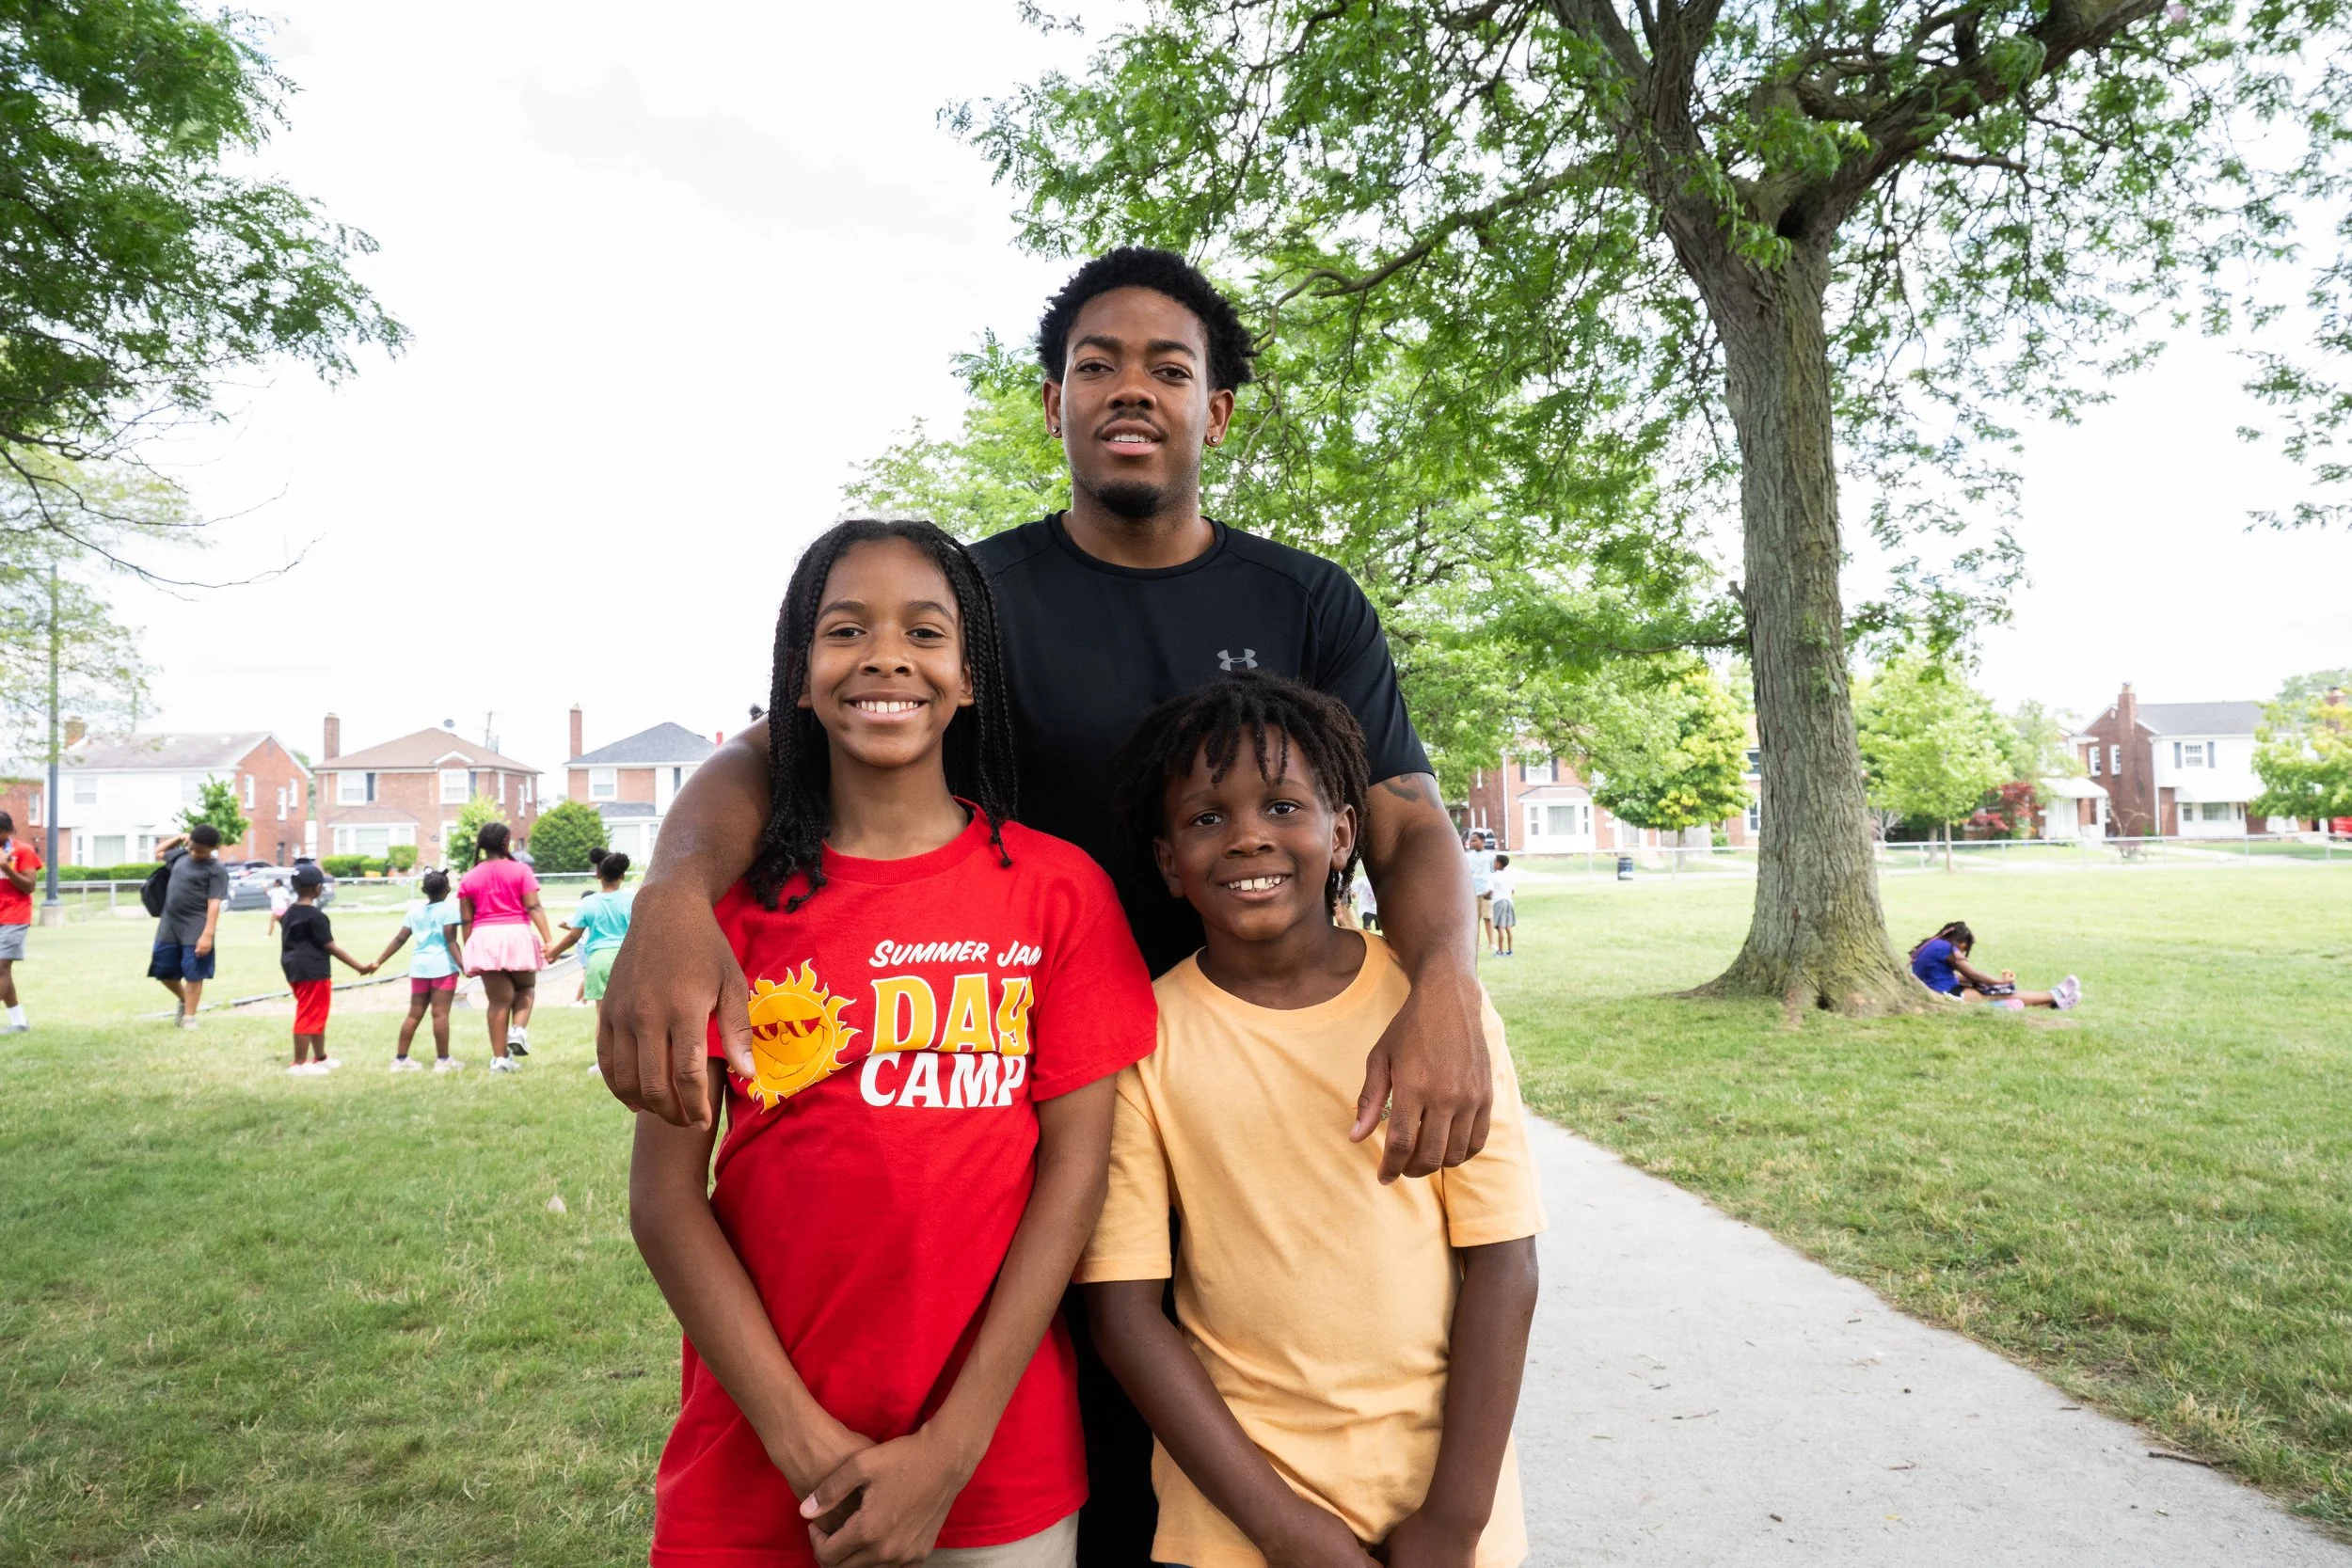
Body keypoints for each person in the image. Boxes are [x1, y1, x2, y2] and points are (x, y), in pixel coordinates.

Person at [600, 251, 1494, 1563]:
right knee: (1081, 1430)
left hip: (1245, 1081)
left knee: (1255, 1415)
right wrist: (673, 894)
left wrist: (1447, 981)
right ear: (1051, 401)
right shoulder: (980, 598)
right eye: (1096, 364)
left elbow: (1407, 816)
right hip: (1029, 1101)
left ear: (1218, 413)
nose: (1132, 389)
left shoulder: (1305, 598)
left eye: (1169, 368)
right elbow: (769, 753)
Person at [630, 519, 1155, 1568]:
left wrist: (951, 1451)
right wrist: (802, 1443)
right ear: (798, 673)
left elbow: (1075, 1176)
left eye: (925, 629)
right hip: (759, 1462)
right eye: (844, 629)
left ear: (969, 678)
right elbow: (663, 1198)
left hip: (993, 1466)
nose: (883, 655)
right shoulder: (729, 913)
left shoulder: (1057, 892)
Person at [1084, 673, 1543, 1568]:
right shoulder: (1140, 1037)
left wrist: (1455, 1519)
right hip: (1235, 1522)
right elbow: (1124, 1312)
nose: (1249, 833)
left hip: (1446, 1511)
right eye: (1206, 818)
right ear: (1169, 861)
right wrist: (1285, 1530)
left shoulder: (1438, 1016)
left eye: (1283, 805)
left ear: (1342, 834)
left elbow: (1506, 1261)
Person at [459, 822, 550, 1072]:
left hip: (484, 938)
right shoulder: (521, 871)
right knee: (526, 988)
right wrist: (548, 940)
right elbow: (534, 907)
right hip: (516, 935)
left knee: (499, 1001)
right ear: (505, 842)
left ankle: (499, 1060)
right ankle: (519, 1030)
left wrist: (470, 953)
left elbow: (466, 920)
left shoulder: (470, 876)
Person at [545, 848, 632, 1069]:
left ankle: (603, 1064)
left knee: (603, 1016)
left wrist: (554, 952)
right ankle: (631, 1061)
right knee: (629, 1015)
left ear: (597, 874)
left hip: (599, 962)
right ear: (622, 875)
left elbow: (574, 935)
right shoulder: (631, 900)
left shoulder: (589, 903)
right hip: (627, 961)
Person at [280, 863, 371, 1075]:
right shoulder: (316, 916)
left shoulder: (289, 912)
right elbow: (331, 947)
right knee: (308, 1014)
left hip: (293, 968)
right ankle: (299, 1064)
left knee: (316, 1013)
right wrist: (360, 967)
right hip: (313, 971)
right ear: (318, 888)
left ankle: (320, 1058)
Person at [373, 869, 468, 1071]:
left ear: (425, 890)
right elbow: (450, 939)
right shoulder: (450, 910)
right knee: (440, 1014)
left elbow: (399, 939)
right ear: (448, 889)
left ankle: (400, 1059)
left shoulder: (414, 912)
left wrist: (378, 961)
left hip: (419, 967)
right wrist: (463, 964)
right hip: (442, 967)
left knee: (414, 1013)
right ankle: (443, 1060)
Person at [151, 826, 228, 1028]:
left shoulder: (215, 869)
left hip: (196, 927)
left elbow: (214, 902)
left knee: (194, 974)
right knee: (163, 971)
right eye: (193, 847)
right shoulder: (179, 857)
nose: (196, 853)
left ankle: (189, 1018)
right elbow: (158, 852)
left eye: (201, 850)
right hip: (169, 925)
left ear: (213, 848)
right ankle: (185, 1000)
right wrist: (178, 838)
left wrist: (208, 934)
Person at [1909, 922, 2079, 1009]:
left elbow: (1942, 975)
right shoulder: (1946, 948)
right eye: (1963, 949)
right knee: (2002, 993)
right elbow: (1974, 974)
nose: (1962, 953)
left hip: (1941, 989)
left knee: (1995, 992)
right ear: (1959, 941)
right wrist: (2001, 982)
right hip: (1947, 994)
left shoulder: (1930, 945)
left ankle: (2053, 1004)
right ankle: (2054, 995)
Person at [0, 810, 40, 1034]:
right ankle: (19, 1022)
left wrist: (6, 867)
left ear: (6, 831)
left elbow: (29, 886)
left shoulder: (22, 851)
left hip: (14, 916)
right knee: (3, 972)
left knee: (1, 968)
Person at [1466, 830, 1495, 954]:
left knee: (1487, 917)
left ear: (1482, 841)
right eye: (1471, 841)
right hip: (1472, 892)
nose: (1472, 843)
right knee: (1474, 919)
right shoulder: (1468, 856)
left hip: (1485, 891)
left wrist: (1491, 889)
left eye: (1475, 840)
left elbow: (1494, 874)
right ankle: (1476, 944)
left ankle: (1492, 943)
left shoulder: (1490, 856)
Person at [1488, 852, 1517, 958]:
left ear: (1499, 864)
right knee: (1508, 927)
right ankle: (1510, 951)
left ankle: (1500, 951)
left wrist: (1485, 896)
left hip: (1498, 902)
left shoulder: (1493, 876)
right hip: (1509, 901)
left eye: (1495, 862)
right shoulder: (1509, 875)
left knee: (1500, 927)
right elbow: (1513, 890)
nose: (1493, 864)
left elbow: (1490, 891)